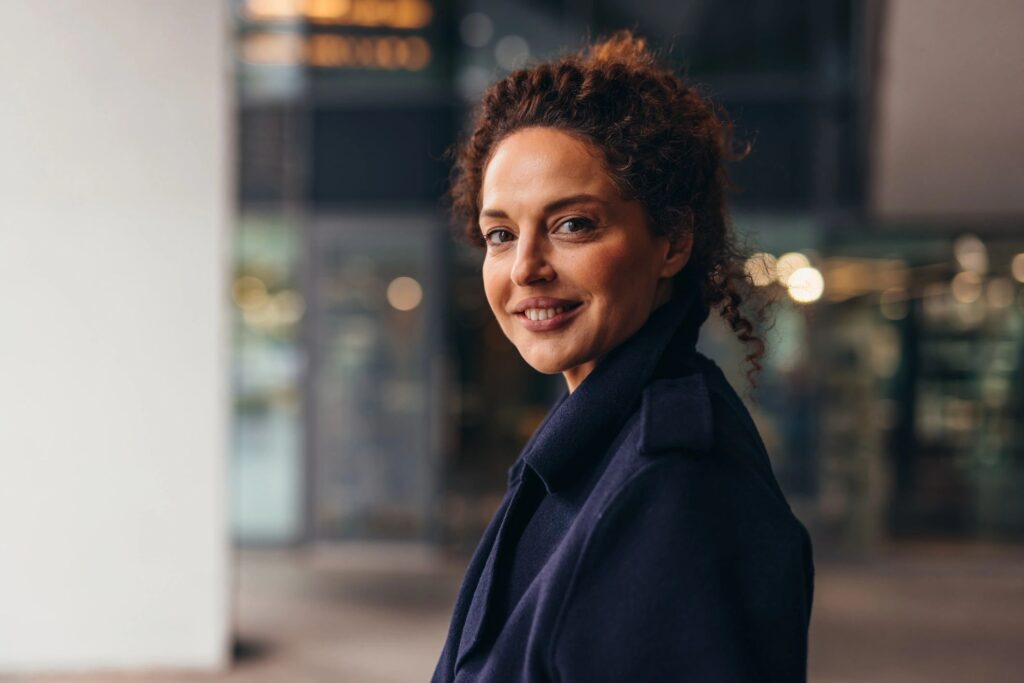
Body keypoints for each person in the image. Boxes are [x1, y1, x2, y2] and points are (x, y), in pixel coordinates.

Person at [432, 30, 814, 682]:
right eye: (501, 233)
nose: (525, 268)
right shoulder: (603, 442)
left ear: (672, 241)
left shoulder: (669, 484)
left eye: (572, 224)